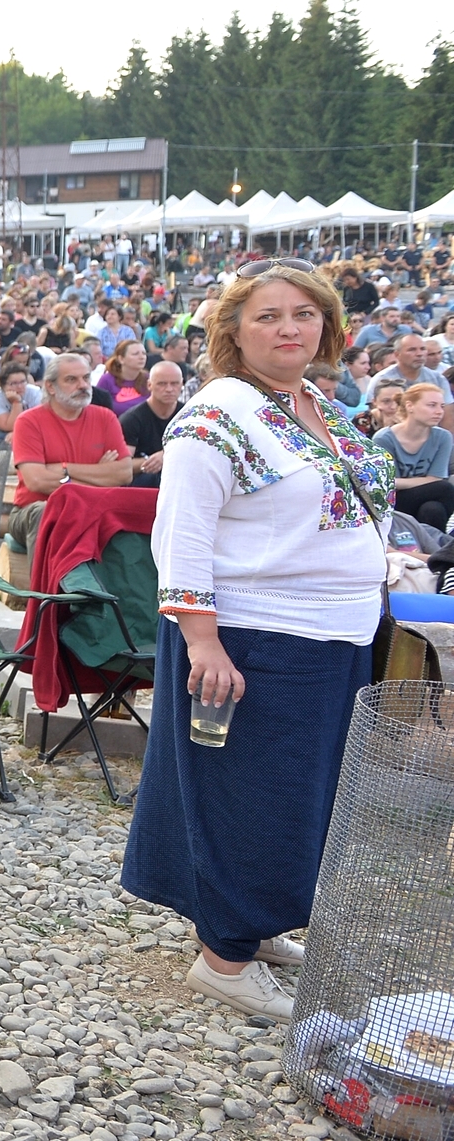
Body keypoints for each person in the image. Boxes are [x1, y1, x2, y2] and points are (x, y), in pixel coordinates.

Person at [124, 258, 393, 1021]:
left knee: (303, 796)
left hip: (330, 635)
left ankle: (253, 922)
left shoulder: (309, 401)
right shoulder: (218, 411)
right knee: (253, 797)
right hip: (253, 636)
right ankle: (224, 959)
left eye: (303, 314)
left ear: (328, 327)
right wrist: (201, 640)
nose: (288, 328)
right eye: (268, 316)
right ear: (233, 332)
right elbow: (179, 534)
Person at [6, 352, 134, 559]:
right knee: (46, 511)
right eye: (71, 380)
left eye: (86, 378)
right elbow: (37, 481)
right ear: (50, 387)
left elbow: (124, 473)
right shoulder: (28, 421)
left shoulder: (106, 418)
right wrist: (99, 481)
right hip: (32, 512)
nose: (83, 385)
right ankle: (44, 591)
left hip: (92, 509)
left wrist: (65, 468)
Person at [374, 384, 454, 530]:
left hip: (428, 497)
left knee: (432, 509)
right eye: (432, 405)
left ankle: (433, 548)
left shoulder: (443, 437)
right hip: (392, 501)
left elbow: (436, 479)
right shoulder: (384, 439)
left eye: (442, 406)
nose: (439, 412)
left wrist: (430, 482)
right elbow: (389, 484)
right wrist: (429, 482)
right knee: (446, 488)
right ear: (410, 406)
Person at [119, 361, 185, 488]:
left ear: (182, 384)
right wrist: (154, 461)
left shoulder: (189, 416)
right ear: (149, 385)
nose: (169, 389)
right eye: (162, 384)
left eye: (175, 383)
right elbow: (122, 466)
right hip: (143, 482)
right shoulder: (132, 419)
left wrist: (166, 456)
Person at [0, 361, 41, 451]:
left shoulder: (35, 392)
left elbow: (39, 420)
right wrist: (16, 403)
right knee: (11, 440)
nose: (20, 387)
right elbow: (9, 427)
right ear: (3, 385)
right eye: (14, 383)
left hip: (27, 430)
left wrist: (20, 432)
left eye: (23, 382)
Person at [97, 341, 150, 416]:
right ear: (121, 359)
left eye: (144, 353)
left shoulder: (149, 378)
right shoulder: (107, 380)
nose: (142, 357)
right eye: (135, 354)